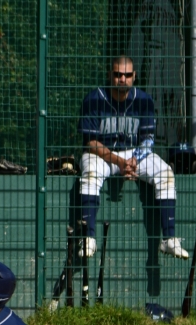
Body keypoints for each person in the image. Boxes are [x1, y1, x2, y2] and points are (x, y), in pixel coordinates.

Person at [75, 55, 188, 260]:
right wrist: (120, 162)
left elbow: (147, 140)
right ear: (110, 75)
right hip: (101, 154)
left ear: (134, 76)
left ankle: (169, 239)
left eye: (127, 75)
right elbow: (90, 142)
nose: (122, 79)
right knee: (90, 175)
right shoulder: (94, 99)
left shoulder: (144, 100)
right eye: (118, 75)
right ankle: (88, 238)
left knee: (166, 173)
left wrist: (133, 160)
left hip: (133, 153)